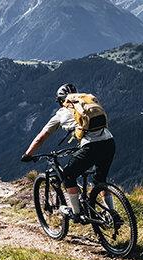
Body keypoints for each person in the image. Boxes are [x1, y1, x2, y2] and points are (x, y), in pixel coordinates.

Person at [20, 83, 116, 217]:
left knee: (68, 176)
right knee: (100, 180)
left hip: (91, 146)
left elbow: (40, 138)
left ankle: (76, 212)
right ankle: (112, 213)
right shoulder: (85, 105)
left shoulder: (61, 113)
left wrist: (28, 154)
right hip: (110, 142)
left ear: (60, 100)